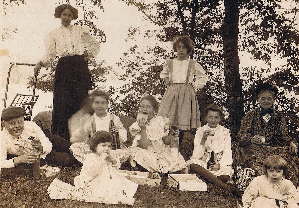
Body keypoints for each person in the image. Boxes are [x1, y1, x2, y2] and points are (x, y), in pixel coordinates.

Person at [34, 4, 100, 142]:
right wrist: (40, 63)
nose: (67, 17)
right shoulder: (53, 34)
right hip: (64, 68)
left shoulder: (80, 30)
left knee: (81, 100)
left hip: (80, 67)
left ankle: (83, 138)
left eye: (69, 15)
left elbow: (94, 44)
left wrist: (87, 55)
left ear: (73, 17)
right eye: (64, 14)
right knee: (63, 101)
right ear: (59, 15)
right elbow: (51, 54)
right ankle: (62, 139)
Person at [47, 131, 138, 205]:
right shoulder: (91, 157)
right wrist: (102, 160)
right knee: (104, 192)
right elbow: (93, 172)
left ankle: (115, 189)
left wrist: (113, 160)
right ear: (95, 146)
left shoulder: (107, 155)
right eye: (103, 145)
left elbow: (116, 166)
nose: (107, 148)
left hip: (106, 179)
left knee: (120, 184)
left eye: (109, 146)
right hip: (92, 181)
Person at [236, 83, 299, 190]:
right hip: (253, 148)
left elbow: (284, 135)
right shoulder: (250, 115)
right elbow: (241, 135)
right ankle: (261, 187)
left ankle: (286, 187)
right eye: (263, 98)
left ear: (274, 100)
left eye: (269, 98)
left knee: (288, 158)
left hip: (272, 148)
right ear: (258, 99)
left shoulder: (279, 116)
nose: (266, 101)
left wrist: (290, 142)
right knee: (253, 160)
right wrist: (251, 139)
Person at [158, 35, 208, 160]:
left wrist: (194, 87)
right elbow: (163, 74)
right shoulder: (170, 62)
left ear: (188, 49)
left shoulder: (192, 63)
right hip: (172, 93)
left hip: (186, 94)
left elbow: (203, 76)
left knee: (183, 123)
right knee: (168, 122)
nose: (180, 50)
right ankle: (166, 152)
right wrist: (166, 80)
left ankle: (182, 153)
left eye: (183, 48)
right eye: (178, 47)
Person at [187, 104, 239, 197]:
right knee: (193, 165)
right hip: (203, 161)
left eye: (216, 117)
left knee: (225, 175)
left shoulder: (225, 132)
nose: (213, 120)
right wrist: (203, 139)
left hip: (218, 162)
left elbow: (227, 150)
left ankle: (209, 180)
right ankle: (225, 187)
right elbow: (196, 155)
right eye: (210, 117)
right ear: (206, 118)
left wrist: (220, 164)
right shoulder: (200, 131)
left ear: (220, 119)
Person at [129, 95, 186, 175]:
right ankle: (154, 169)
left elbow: (165, 141)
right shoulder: (136, 125)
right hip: (148, 152)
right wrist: (143, 128)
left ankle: (170, 169)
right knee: (136, 153)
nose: (144, 109)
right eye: (142, 106)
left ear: (154, 110)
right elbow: (144, 145)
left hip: (162, 151)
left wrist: (172, 136)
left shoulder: (160, 121)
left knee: (173, 154)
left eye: (148, 107)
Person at [70, 90, 127, 163]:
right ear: (92, 105)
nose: (100, 106)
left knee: (124, 152)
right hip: (96, 149)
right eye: (97, 103)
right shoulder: (90, 120)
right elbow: (82, 134)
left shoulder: (114, 119)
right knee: (75, 147)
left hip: (110, 148)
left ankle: (108, 160)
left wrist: (117, 132)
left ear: (107, 104)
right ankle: (95, 160)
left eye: (103, 103)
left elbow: (123, 135)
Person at [0, 107, 52, 175]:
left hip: (43, 146)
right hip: (32, 159)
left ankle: (70, 147)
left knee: (56, 140)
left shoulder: (31, 125)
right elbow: (1, 163)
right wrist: (18, 160)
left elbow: (47, 144)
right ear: (4, 124)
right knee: (64, 159)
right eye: (12, 123)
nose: (17, 126)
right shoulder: (2, 138)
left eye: (20, 122)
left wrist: (42, 147)